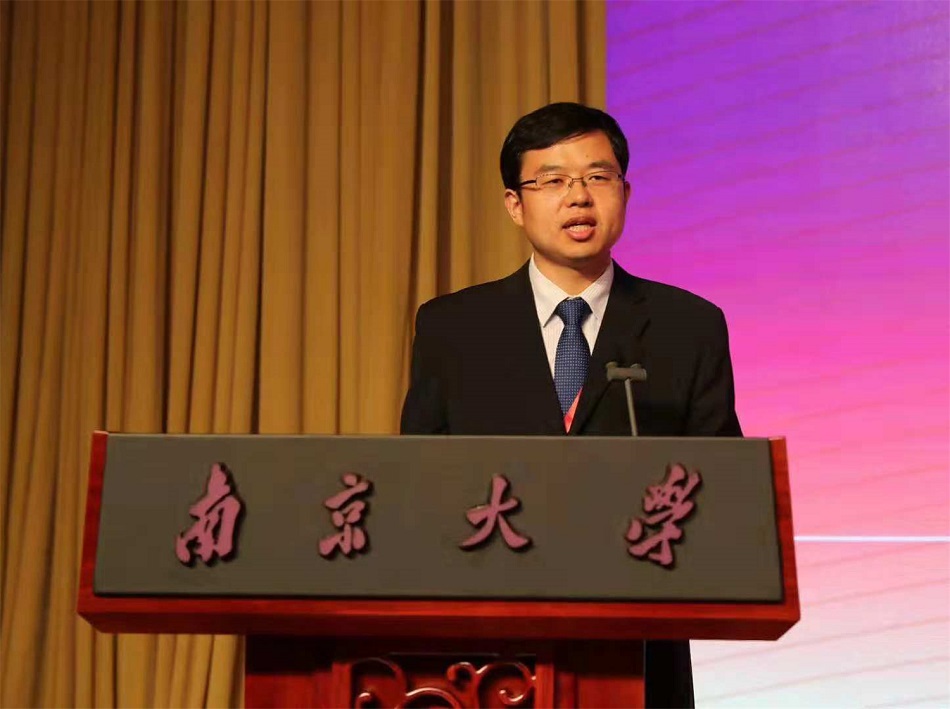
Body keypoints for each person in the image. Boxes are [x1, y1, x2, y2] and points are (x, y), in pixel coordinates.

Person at [401, 102, 742, 708]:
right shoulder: (452, 328)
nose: (578, 197)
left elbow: (723, 489)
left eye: (597, 177)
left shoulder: (688, 327)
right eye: (553, 180)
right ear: (515, 204)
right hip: (487, 652)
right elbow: (418, 483)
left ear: (625, 193)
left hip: (640, 646)